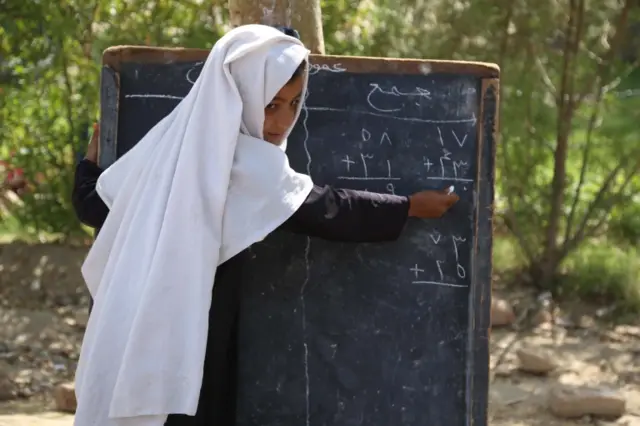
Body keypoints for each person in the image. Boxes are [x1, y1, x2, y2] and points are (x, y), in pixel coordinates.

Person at [72, 25, 459, 426]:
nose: (282, 121)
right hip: (188, 336)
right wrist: (408, 207)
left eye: (294, 104)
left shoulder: (165, 146)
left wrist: (87, 168)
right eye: (270, 104)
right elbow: (326, 209)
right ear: (237, 94)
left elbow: (94, 207)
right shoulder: (244, 163)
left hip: (130, 326)